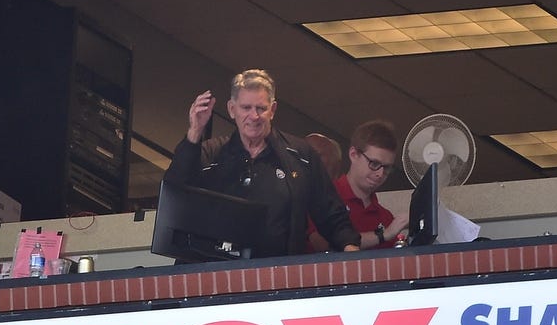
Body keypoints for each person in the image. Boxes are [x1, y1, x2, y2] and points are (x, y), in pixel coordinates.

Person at [164, 68, 360, 258]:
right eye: (246, 108)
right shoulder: (211, 153)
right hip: (219, 275)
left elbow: (330, 213)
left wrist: (350, 247)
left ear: (273, 110)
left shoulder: (300, 155)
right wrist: (195, 131)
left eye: (261, 108)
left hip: (281, 275)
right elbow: (175, 191)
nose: (254, 116)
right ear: (232, 110)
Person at [309, 120, 410, 252]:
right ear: (353, 155)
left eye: (387, 168)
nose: (380, 174)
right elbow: (320, 244)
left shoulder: (386, 218)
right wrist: (383, 235)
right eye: (374, 163)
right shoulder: (323, 195)